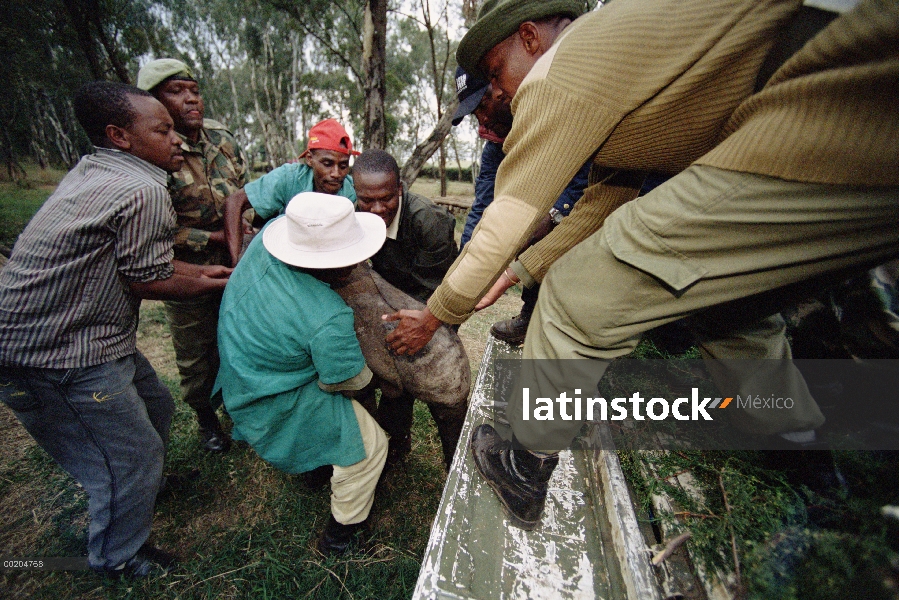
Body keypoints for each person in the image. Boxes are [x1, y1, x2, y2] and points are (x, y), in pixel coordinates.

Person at [386, 0, 899, 529]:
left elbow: (506, 216)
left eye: (495, 73)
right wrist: (521, 270)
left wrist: (437, 314)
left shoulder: (562, 67)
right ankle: (807, 460)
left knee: (576, 294)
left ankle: (523, 460)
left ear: (531, 38)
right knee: (726, 312)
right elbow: (602, 203)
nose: (495, 93)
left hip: (826, 115)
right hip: (855, 123)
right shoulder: (619, 59)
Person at [0, 81, 231, 574]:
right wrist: (221, 283)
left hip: (88, 336)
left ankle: (138, 490)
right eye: (163, 129)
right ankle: (116, 556)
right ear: (119, 135)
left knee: (157, 405)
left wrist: (216, 274)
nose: (177, 140)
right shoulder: (144, 188)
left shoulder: (96, 169)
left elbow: (137, 266)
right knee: (129, 455)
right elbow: (149, 279)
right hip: (55, 353)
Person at [214, 193, 389, 555]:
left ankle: (315, 467)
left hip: (236, 362)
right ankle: (340, 537)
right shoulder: (327, 315)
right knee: (371, 446)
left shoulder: (268, 239)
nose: (361, 261)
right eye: (352, 256)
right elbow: (348, 381)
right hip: (267, 395)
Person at [137, 58, 248, 453]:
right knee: (196, 355)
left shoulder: (221, 136)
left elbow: (244, 188)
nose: (190, 99)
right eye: (175, 91)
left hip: (239, 262)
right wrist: (216, 235)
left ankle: (241, 411)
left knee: (238, 341)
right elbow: (152, 232)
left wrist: (247, 226)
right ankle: (206, 420)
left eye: (193, 90)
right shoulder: (149, 151)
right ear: (152, 103)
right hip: (184, 272)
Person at [451, 64, 590, 345]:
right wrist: (460, 272)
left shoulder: (556, 110)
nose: (482, 121)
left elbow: (586, 173)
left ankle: (547, 313)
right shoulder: (495, 147)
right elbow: (482, 207)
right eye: (474, 115)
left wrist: (552, 216)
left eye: (482, 106)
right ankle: (534, 310)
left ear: (499, 88)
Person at [352, 149, 465, 467]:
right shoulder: (354, 215)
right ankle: (397, 447)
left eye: (386, 199)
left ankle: (456, 465)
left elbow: (438, 294)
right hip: (388, 308)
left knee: (445, 395)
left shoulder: (429, 222)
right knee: (394, 390)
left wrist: (410, 335)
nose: (376, 209)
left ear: (399, 189)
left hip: (433, 309)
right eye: (366, 200)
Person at [223, 118, 359, 266]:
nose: (336, 173)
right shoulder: (289, 178)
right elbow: (234, 202)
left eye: (344, 166)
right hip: (282, 256)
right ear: (309, 159)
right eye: (327, 164)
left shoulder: (350, 192)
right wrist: (236, 263)